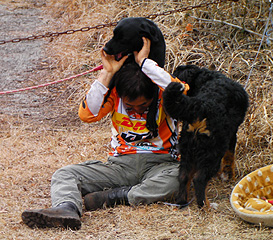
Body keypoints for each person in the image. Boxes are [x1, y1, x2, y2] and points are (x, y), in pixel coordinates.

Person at [21, 38, 189, 230]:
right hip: (119, 166)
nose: (137, 111)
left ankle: (119, 196)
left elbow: (182, 92)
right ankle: (66, 208)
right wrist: (107, 73)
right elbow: (87, 114)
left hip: (161, 164)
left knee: (180, 178)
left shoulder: (165, 93)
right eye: (130, 107)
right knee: (65, 174)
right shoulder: (114, 94)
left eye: (143, 106)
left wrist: (144, 63)